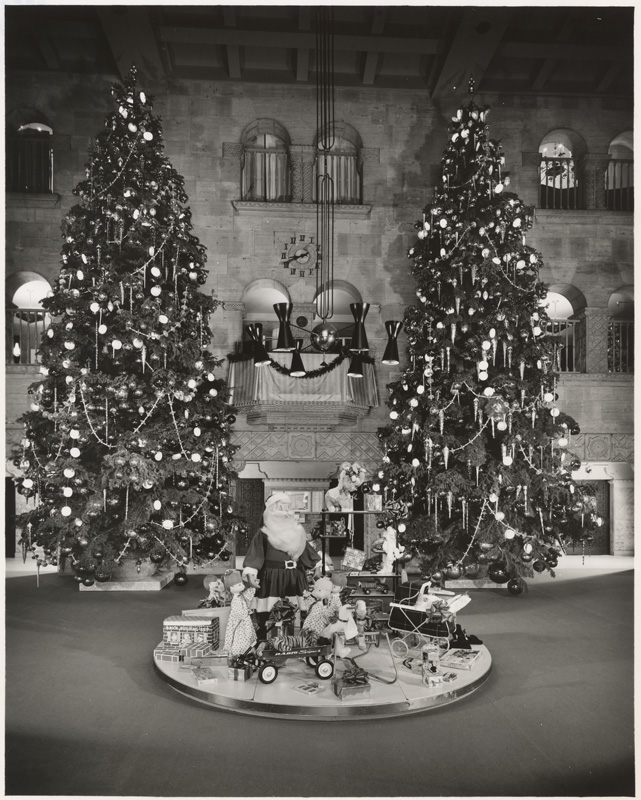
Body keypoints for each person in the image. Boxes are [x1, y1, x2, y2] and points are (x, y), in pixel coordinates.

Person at [243, 492, 321, 639]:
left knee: (295, 611)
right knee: (269, 610)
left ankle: (294, 641)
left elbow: (305, 550)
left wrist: (316, 565)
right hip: (272, 576)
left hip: (295, 576)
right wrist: (251, 573)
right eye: (282, 508)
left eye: (288, 508)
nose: (286, 512)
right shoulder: (263, 533)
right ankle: (265, 641)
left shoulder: (297, 531)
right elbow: (256, 554)